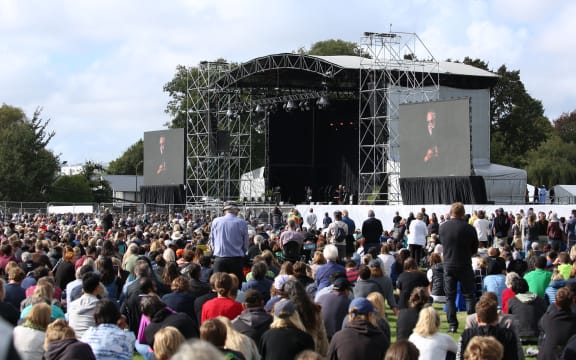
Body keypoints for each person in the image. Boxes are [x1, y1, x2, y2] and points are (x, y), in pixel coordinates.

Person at [440, 202, 479, 333]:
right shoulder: (469, 228)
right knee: (469, 295)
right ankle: (471, 324)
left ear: (451, 213)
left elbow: (443, 243)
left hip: (449, 264)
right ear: (463, 214)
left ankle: (452, 324)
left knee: (450, 297)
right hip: (464, 263)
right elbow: (474, 248)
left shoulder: (443, 227)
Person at [456, 295, 519, 360]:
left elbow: (459, 356)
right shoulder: (508, 335)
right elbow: (515, 356)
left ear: (477, 319)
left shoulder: (466, 335)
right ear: (497, 318)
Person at [209, 202, 249, 283]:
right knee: (236, 287)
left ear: (224, 211)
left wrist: (215, 251)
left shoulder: (216, 221)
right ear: (236, 211)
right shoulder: (242, 222)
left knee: (219, 286)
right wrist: (243, 252)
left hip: (220, 259)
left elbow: (212, 240)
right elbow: (245, 243)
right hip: (236, 260)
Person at [538, 287, 576, 360]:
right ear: (572, 301)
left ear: (555, 301)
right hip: (563, 355)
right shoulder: (573, 320)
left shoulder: (547, 318)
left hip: (546, 355)